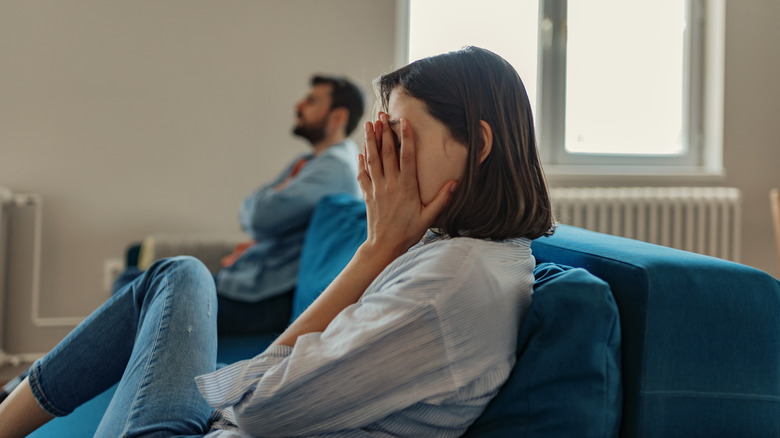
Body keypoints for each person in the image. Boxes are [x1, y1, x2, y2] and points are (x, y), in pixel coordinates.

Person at [0, 46, 554, 437]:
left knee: (177, 277)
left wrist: (375, 251)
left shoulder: (450, 281)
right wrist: (384, 247)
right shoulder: (461, 254)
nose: (382, 163)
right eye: (380, 141)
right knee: (177, 275)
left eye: (399, 139)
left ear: (477, 143)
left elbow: (255, 408)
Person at [117, 74, 366, 335]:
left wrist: (266, 207)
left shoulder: (335, 168)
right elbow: (251, 210)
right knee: (134, 281)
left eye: (311, 101)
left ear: (338, 117)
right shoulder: (308, 162)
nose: (298, 106)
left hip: (265, 297)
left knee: (132, 286)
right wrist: (264, 209)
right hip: (250, 284)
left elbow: (259, 215)